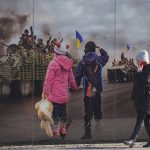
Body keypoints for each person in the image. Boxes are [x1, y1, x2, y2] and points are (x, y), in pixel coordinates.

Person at [42, 41, 77, 139]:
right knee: (63, 112)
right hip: (64, 95)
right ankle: (63, 128)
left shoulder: (53, 63)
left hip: (54, 95)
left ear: (56, 52)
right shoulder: (69, 64)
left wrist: (45, 92)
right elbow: (71, 78)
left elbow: (48, 79)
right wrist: (75, 86)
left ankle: (56, 130)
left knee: (55, 113)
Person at [75, 41, 109, 139]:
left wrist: (75, 85)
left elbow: (77, 74)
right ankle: (98, 125)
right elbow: (106, 57)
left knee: (87, 108)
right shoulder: (99, 59)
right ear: (94, 49)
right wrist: (100, 48)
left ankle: (88, 132)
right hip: (97, 86)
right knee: (97, 104)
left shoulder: (83, 61)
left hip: (88, 88)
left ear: (86, 49)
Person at [124, 50, 150, 148]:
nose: (137, 63)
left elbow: (145, 81)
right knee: (146, 121)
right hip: (142, 99)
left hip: (146, 99)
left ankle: (132, 139)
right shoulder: (144, 69)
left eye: (138, 60)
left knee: (140, 120)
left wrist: (139, 72)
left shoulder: (147, 69)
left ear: (142, 60)